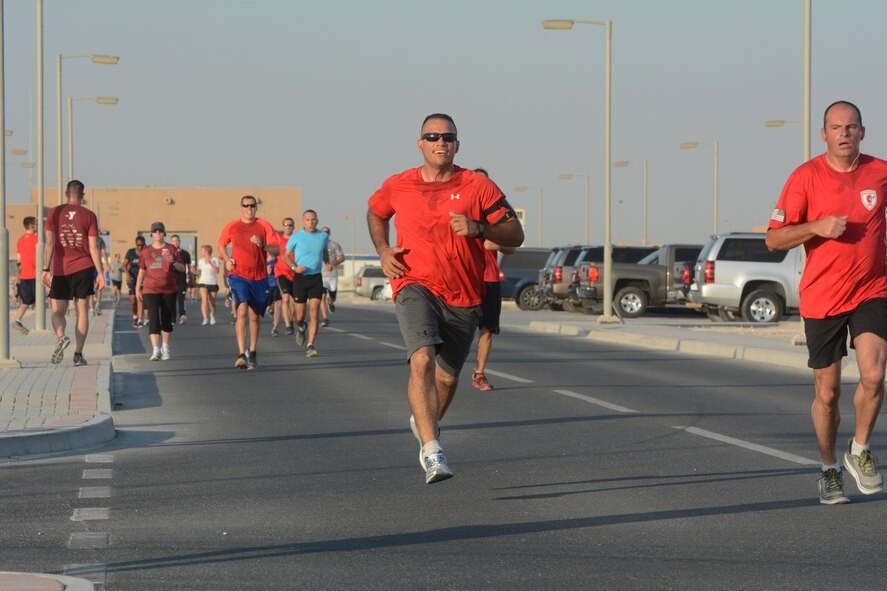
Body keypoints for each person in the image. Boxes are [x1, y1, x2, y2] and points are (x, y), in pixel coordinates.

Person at [367, 113, 523, 484]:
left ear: (457, 145)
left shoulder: (477, 186)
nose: (441, 142)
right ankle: (432, 448)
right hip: (413, 283)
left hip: (464, 295)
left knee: (448, 380)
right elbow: (375, 212)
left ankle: (427, 422)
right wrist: (384, 249)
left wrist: (479, 227)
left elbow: (515, 234)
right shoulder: (399, 184)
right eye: (432, 136)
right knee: (421, 358)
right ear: (420, 144)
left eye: (448, 137)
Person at [766, 100, 887, 505]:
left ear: (862, 132)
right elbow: (773, 239)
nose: (844, 134)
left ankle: (859, 449)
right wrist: (816, 226)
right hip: (823, 297)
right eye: (836, 127)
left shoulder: (879, 172)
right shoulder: (805, 178)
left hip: (872, 289)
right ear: (824, 134)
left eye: (851, 127)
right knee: (828, 392)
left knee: (873, 372)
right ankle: (828, 468)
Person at [41, 180, 106, 366]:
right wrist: (100, 273)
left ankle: (61, 336)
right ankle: (78, 354)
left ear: (65, 193)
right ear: (83, 196)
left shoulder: (54, 212)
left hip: (61, 269)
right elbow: (93, 246)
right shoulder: (89, 215)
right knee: (82, 310)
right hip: (84, 268)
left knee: (57, 311)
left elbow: (50, 243)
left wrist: (46, 269)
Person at [217, 195, 280, 370]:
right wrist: (227, 259)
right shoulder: (232, 225)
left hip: (259, 277)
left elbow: (277, 249)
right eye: (246, 205)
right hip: (238, 275)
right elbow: (221, 243)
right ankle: (241, 353)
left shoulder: (264, 225)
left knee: (254, 315)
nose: (249, 208)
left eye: (252, 205)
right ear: (241, 207)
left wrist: (262, 245)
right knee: (242, 310)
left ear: (256, 207)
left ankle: (252, 351)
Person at [469, 168, 517, 391]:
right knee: (455, 328)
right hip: (464, 280)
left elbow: (511, 248)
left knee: (487, 329)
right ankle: (445, 370)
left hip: (489, 279)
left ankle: (479, 374)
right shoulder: (462, 214)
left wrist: (495, 242)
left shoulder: (495, 220)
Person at [135, 222, 186, 361]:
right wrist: (137, 287)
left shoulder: (171, 249)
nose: (158, 233)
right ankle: (155, 349)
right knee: (153, 317)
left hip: (168, 289)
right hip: (150, 288)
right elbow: (142, 270)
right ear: (151, 234)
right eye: (155, 231)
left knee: (166, 319)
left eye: (160, 231)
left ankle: (165, 347)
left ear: (164, 233)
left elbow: (182, 268)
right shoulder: (146, 251)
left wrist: (173, 261)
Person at [283, 209, 329, 357]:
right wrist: (294, 268)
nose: (311, 222)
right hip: (300, 278)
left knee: (314, 311)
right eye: (308, 220)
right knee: (300, 315)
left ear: (317, 221)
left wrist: (327, 262)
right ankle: (301, 327)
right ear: (304, 221)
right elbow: (286, 256)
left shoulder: (323, 236)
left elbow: (325, 251)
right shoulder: (296, 237)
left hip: (316, 277)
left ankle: (310, 345)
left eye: (313, 219)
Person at [12, 216, 38, 335]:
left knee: (26, 301)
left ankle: (17, 320)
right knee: (47, 298)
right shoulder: (37, 240)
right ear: (32, 226)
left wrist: (19, 274)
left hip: (24, 275)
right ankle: (56, 320)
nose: (37, 226)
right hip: (35, 275)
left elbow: (19, 259)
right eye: (36, 224)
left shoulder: (20, 240)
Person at [273, 217, 297, 336]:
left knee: (294, 302)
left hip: (295, 273)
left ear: (293, 227)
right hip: (281, 272)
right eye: (286, 224)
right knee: (285, 298)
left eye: (290, 225)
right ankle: (287, 325)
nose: (288, 227)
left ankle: (291, 320)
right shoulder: (278, 240)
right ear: (283, 227)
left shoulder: (297, 240)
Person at [320, 226, 346, 327]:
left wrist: (333, 263)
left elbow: (342, 257)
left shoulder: (334, 245)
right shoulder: (317, 245)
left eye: (326, 232)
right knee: (321, 297)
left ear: (329, 233)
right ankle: (325, 318)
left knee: (332, 298)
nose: (325, 234)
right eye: (322, 232)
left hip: (332, 275)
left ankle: (330, 303)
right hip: (321, 275)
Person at [191, 244, 220, 325]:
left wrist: (211, 263)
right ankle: (205, 318)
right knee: (204, 300)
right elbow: (199, 272)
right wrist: (194, 271)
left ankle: (212, 316)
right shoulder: (201, 261)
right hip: (203, 282)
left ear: (207, 251)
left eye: (202, 251)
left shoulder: (215, 260)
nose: (201, 252)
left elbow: (217, 272)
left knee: (212, 303)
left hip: (213, 283)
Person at [124, 236, 147, 328]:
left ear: (144, 244)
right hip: (132, 279)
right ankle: (135, 317)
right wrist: (127, 274)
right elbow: (124, 265)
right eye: (138, 245)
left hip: (142, 279)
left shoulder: (146, 252)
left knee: (140, 298)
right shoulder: (130, 252)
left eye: (142, 245)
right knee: (133, 300)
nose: (140, 247)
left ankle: (140, 320)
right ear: (135, 244)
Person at [170, 234, 192, 325]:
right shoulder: (168, 254)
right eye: (174, 241)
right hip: (170, 281)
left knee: (181, 300)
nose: (176, 242)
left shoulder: (185, 254)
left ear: (180, 241)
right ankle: (172, 318)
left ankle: (182, 316)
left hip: (181, 281)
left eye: (177, 241)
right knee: (171, 301)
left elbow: (189, 268)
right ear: (171, 242)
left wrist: (190, 281)